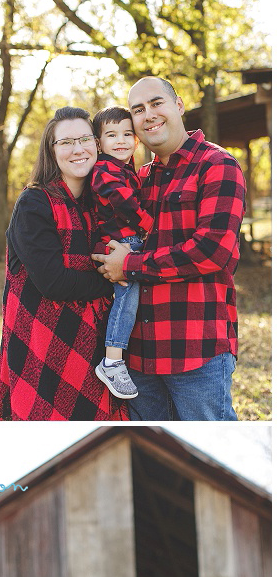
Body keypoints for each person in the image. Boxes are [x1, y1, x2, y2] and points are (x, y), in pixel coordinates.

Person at [92, 76, 245, 422]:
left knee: (211, 456)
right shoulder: (139, 178)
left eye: (157, 103)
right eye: (138, 109)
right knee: (154, 454)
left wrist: (128, 266)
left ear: (178, 106)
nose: (149, 115)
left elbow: (211, 251)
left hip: (194, 349)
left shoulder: (217, 165)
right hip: (139, 355)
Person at [0, 109, 116, 421]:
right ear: (51, 151)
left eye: (84, 139)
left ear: (97, 144)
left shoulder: (101, 203)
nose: (77, 149)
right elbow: (54, 282)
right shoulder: (34, 203)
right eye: (65, 142)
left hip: (93, 341)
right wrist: (114, 278)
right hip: (42, 342)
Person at [90, 106, 154, 403]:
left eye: (128, 134)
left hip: (128, 238)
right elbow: (125, 203)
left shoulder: (126, 168)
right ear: (99, 142)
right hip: (120, 241)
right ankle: (112, 360)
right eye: (112, 135)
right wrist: (152, 227)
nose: (121, 140)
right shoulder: (105, 169)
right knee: (127, 297)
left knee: (133, 298)